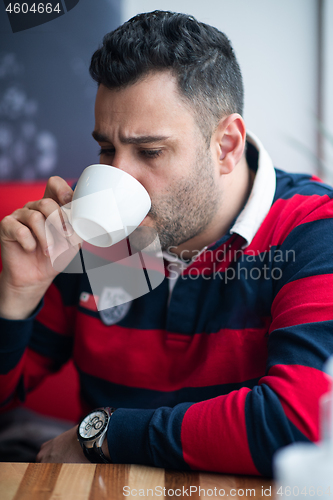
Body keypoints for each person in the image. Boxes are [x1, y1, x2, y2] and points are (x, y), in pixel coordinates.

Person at [0, 10, 332, 476]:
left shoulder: (312, 230)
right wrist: (16, 294)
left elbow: (300, 421)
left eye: (149, 151)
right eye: (106, 148)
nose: (118, 174)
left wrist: (104, 434)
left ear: (226, 145)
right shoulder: (95, 228)